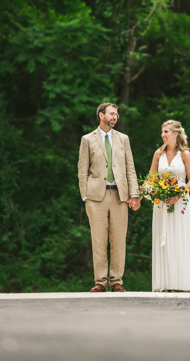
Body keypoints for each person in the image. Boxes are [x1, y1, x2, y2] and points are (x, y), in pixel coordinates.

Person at [78, 102, 140, 293]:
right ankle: (100, 281)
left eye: (116, 115)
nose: (114, 117)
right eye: (111, 114)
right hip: (96, 197)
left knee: (119, 240)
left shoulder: (123, 139)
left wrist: (134, 194)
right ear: (101, 115)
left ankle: (116, 281)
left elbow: (130, 167)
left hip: (120, 196)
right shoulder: (87, 139)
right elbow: (82, 169)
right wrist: (85, 196)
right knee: (98, 240)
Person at [149, 119, 190, 292]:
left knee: (178, 239)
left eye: (166, 132)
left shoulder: (185, 154)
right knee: (164, 240)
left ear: (176, 134)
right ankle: (164, 284)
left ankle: (178, 283)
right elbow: (151, 178)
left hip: (180, 203)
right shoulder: (158, 154)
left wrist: (178, 195)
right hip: (161, 203)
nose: (163, 135)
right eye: (162, 132)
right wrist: (153, 190)